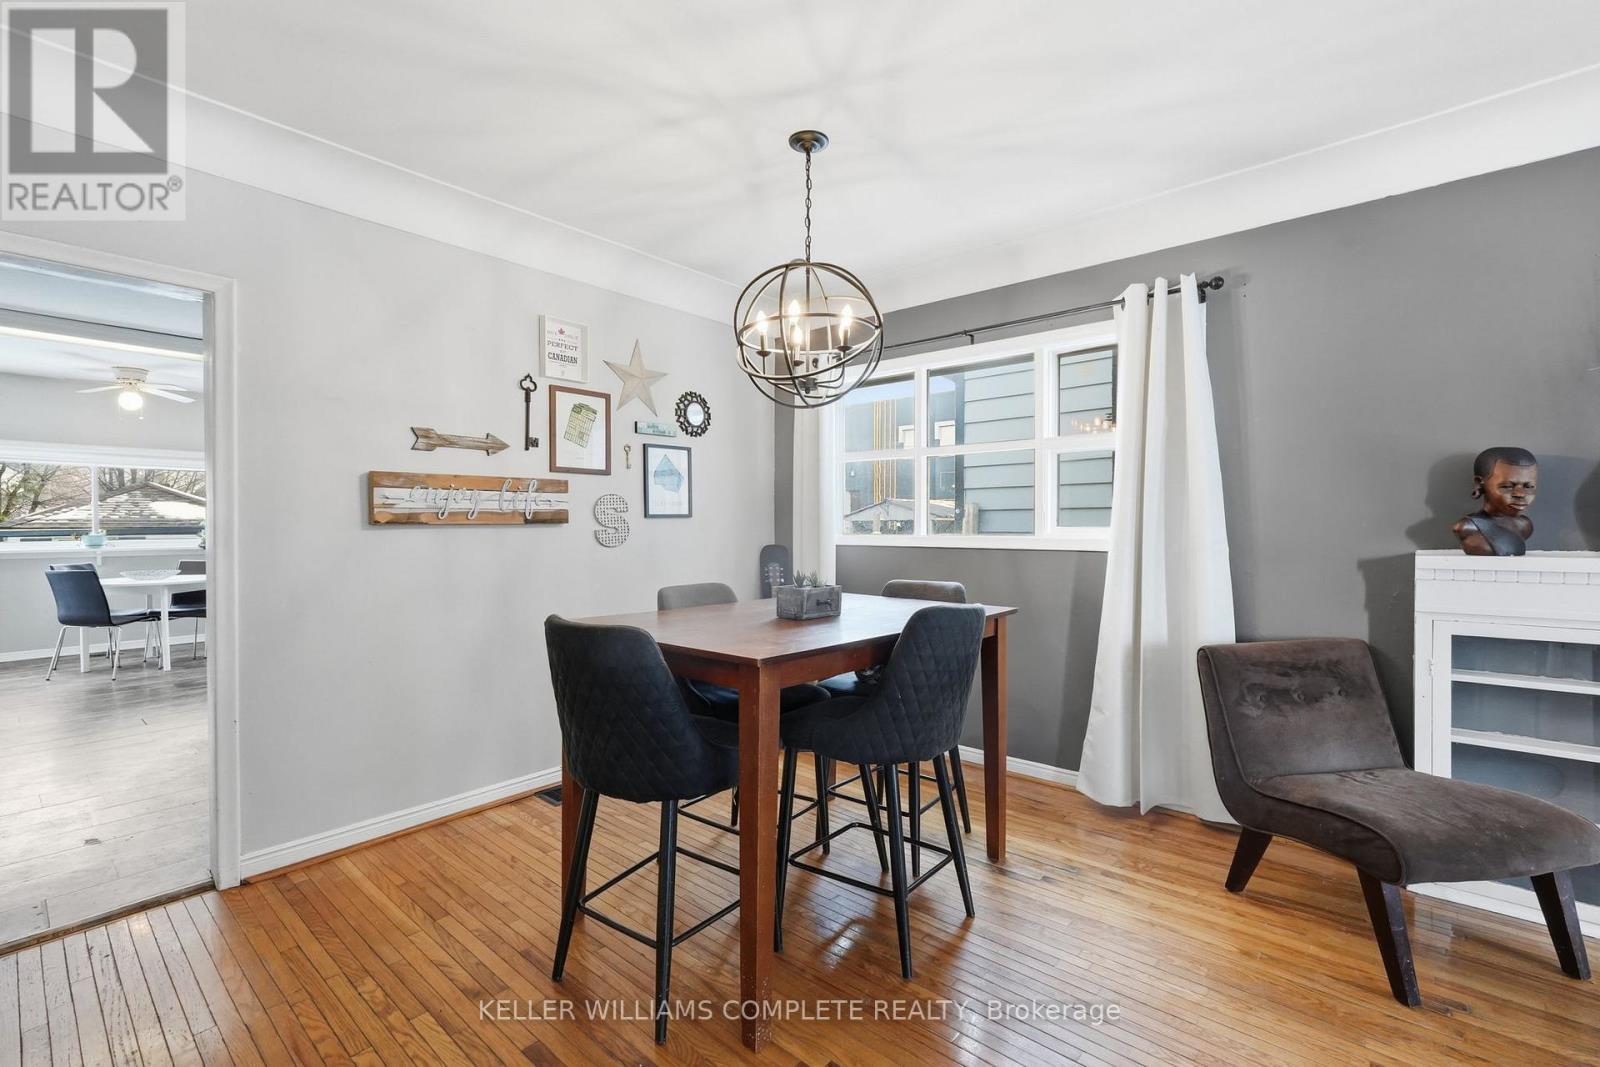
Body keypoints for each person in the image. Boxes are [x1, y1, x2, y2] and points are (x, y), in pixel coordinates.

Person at [1453, 446, 1537, 556]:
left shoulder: (1525, 525)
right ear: (1479, 483)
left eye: (1529, 486)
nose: (1520, 494)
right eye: (1507, 486)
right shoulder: (1467, 528)